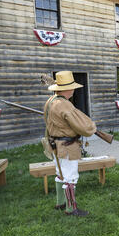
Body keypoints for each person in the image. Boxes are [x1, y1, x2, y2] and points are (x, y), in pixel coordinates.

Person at [44, 71, 96, 216]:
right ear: (65, 89)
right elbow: (82, 127)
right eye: (72, 87)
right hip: (66, 146)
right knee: (70, 177)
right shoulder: (64, 105)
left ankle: (60, 203)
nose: (73, 90)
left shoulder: (51, 101)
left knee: (60, 174)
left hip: (55, 144)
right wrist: (92, 128)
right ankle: (71, 209)